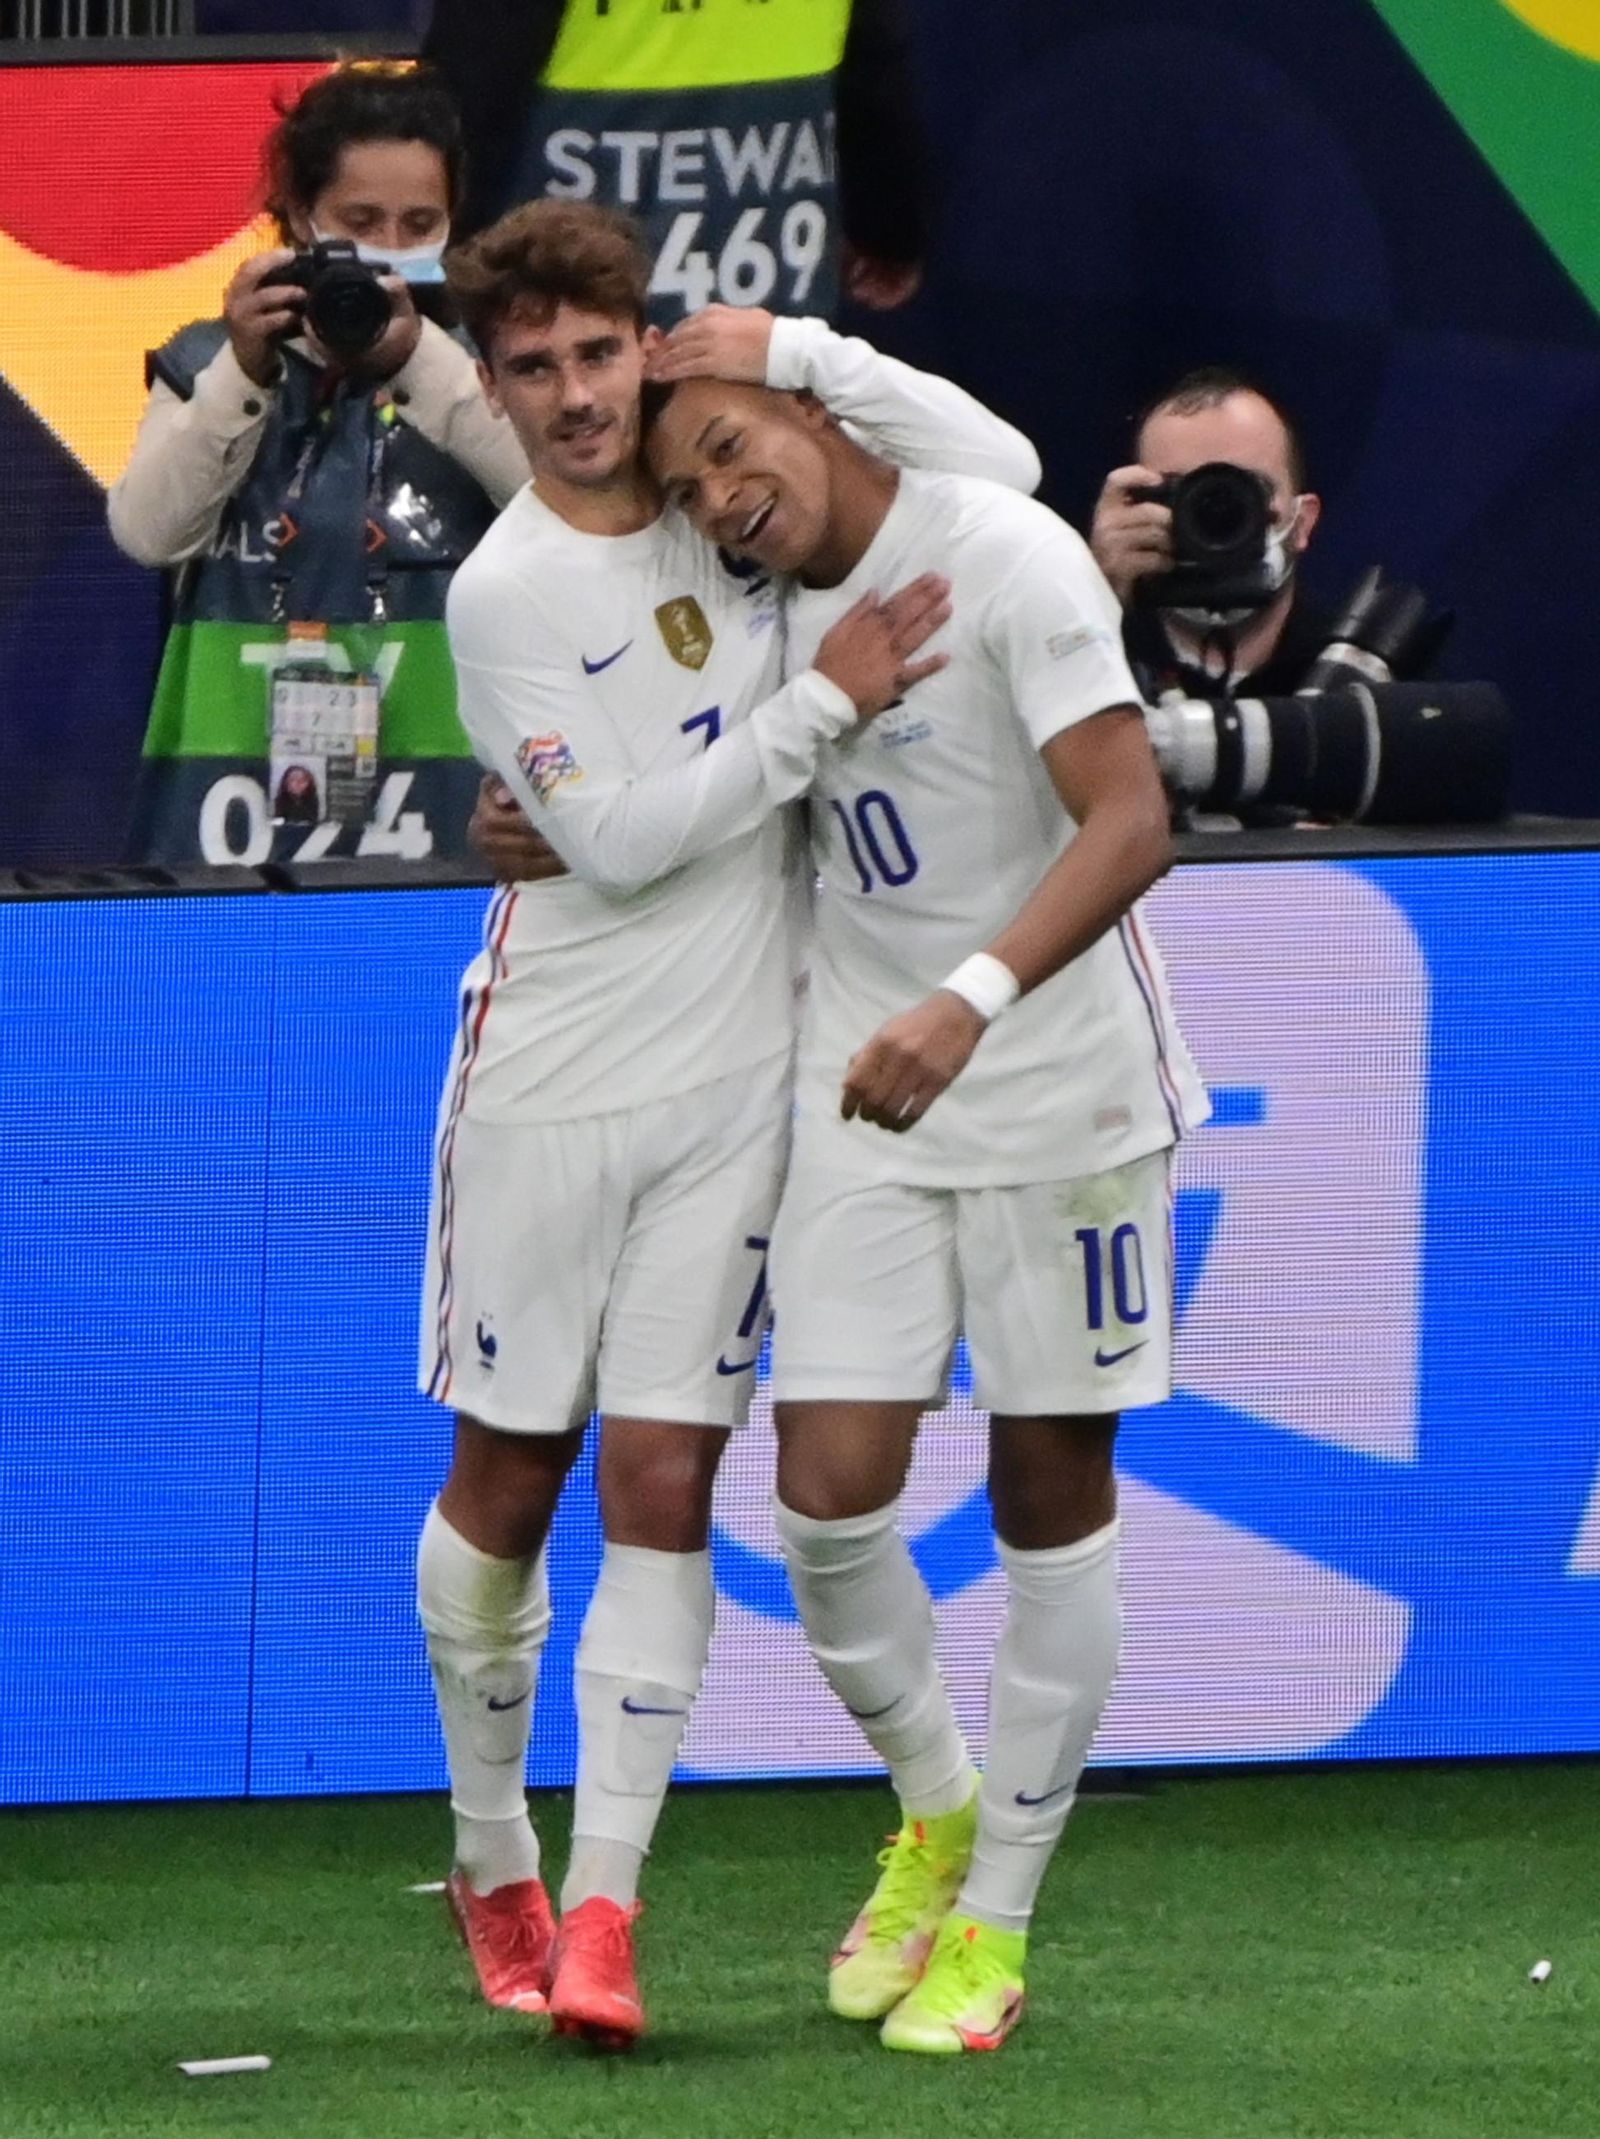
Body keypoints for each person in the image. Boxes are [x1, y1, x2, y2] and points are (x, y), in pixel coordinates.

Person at [417, 198, 1040, 2047]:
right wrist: (813, 718)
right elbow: (603, 843)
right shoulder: (505, 586)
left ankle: (605, 1909)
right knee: (511, 1481)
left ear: (646, 344)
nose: (572, 394)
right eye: (528, 367)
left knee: (665, 1479)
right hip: (545, 1077)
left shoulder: (729, 499)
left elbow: (992, 468)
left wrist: (794, 354)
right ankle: (488, 1844)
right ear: (499, 384)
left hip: (737, 1100)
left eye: (599, 354)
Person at [641, 362, 1207, 2054]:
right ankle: (942, 1804)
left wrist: (966, 997)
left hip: (1059, 1095)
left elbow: (1133, 820)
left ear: (816, 417)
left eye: (732, 444)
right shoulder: (751, 630)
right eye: (691, 486)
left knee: (1052, 1497)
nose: (721, 496)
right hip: (873, 1094)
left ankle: (1002, 1916)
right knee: (825, 1495)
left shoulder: (1009, 553)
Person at [107, 62, 530, 868]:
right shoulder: (208, 363)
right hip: (224, 804)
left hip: (439, 803)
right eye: (362, 219)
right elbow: (147, 533)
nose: (391, 250)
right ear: (302, 215)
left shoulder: (480, 374)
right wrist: (244, 371)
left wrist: (422, 363)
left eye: (420, 224)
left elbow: (558, 508)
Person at [423, 0, 927, 320]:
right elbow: (874, 72)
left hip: (571, 339)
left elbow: (469, 94)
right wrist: (888, 230)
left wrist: (442, 270)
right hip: (772, 319)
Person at [1088, 366, 1326, 702]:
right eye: (1180, 490)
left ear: (1303, 521)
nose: (1213, 510)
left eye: (1248, 488)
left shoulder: (1354, 678)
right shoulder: (1083, 661)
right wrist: (1093, 597)